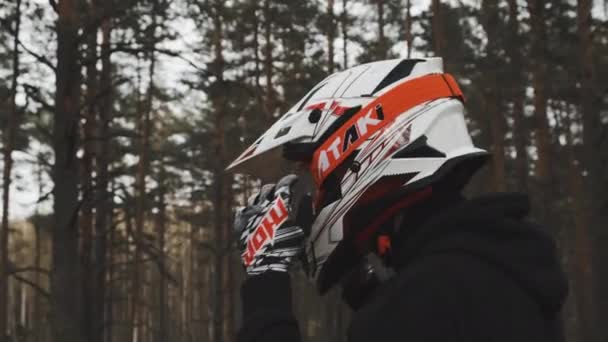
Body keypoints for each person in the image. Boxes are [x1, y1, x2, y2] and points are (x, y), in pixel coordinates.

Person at [228, 58, 568, 342]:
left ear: (358, 153)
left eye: (317, 178)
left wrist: (266, 286)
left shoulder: (426, 297)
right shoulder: (502, 263)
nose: (315, 199)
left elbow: (411, 316)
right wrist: (359, 283)